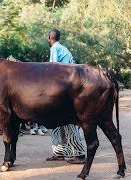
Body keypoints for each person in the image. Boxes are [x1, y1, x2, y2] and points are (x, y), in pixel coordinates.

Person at [46, 29, 85, 164]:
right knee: (57, 121)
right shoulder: (63, 48)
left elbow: (54, 69)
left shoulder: (55, 49)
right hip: (69, 86)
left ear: (49, 38)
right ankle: (60, 152)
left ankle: (79, 154)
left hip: (64, 89)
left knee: (68, 121)